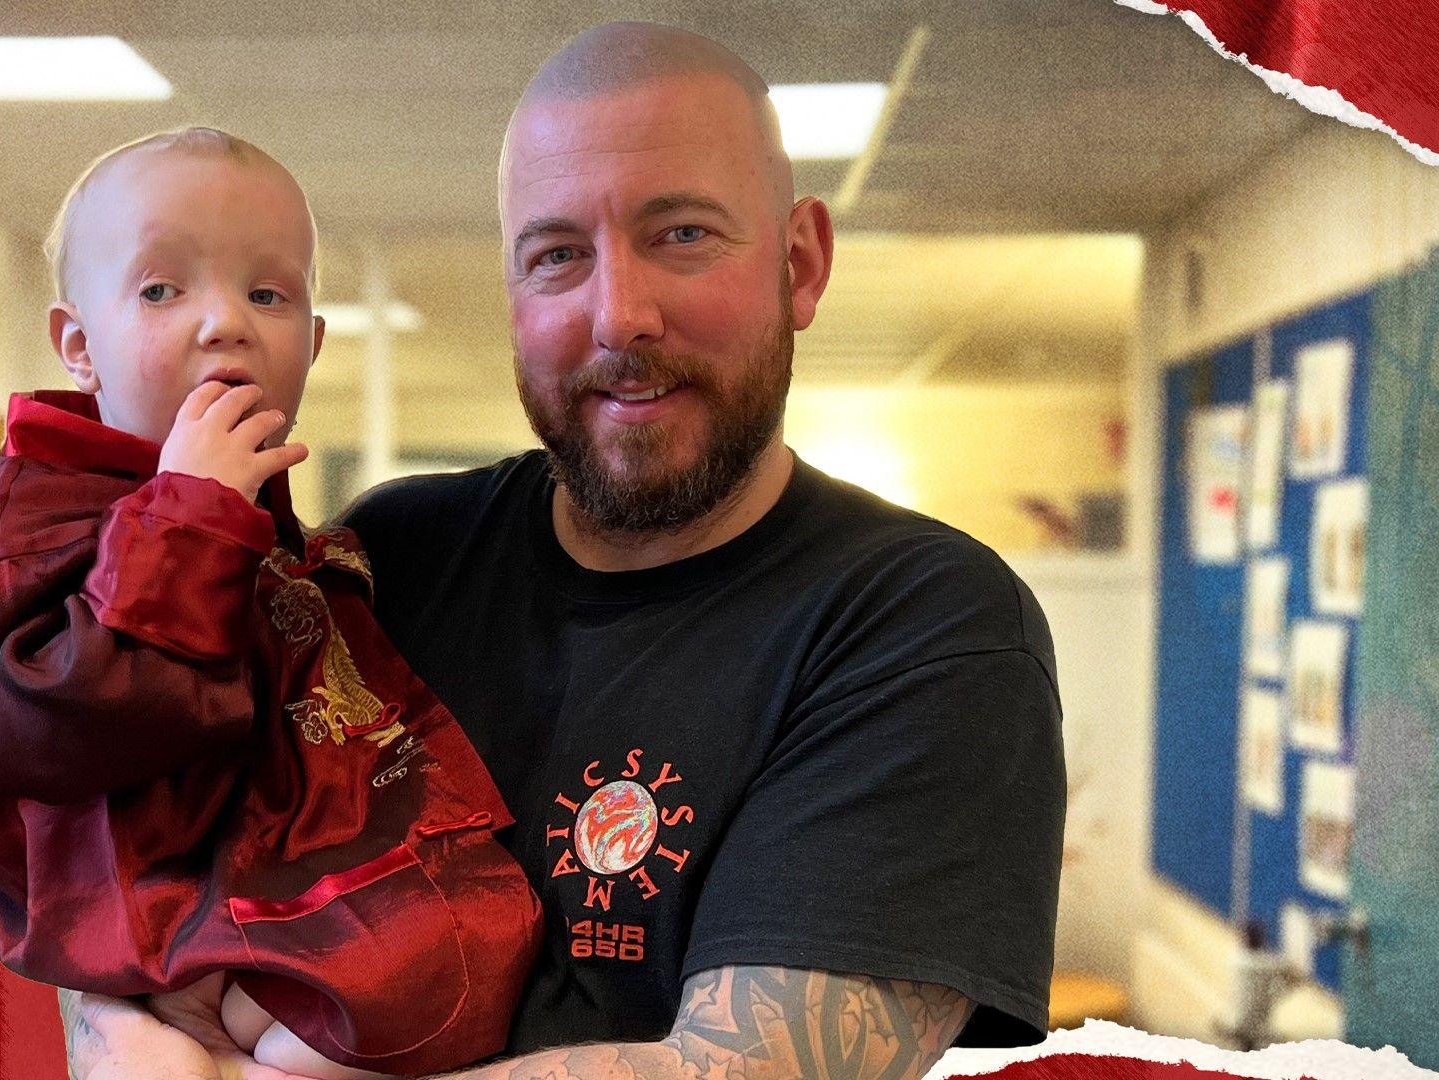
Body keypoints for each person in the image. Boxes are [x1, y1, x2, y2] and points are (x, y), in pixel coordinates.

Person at [61, 22, 1066, 1080]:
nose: (619, 315)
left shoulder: (921, 626)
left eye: (682, 234)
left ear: (801, 263)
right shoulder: (385, 563)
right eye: (556, 256)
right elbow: (132, 876)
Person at [0, 127, 542, 1080]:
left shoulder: (250, 499)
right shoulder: (29, 528)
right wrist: (193, 518)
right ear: (79, 345)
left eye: (268, 293)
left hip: (261, 881)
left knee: (480, 943)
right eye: (162, 289)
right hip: (151, 895)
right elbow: (48, 730)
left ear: (313, 346)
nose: (225, 322)